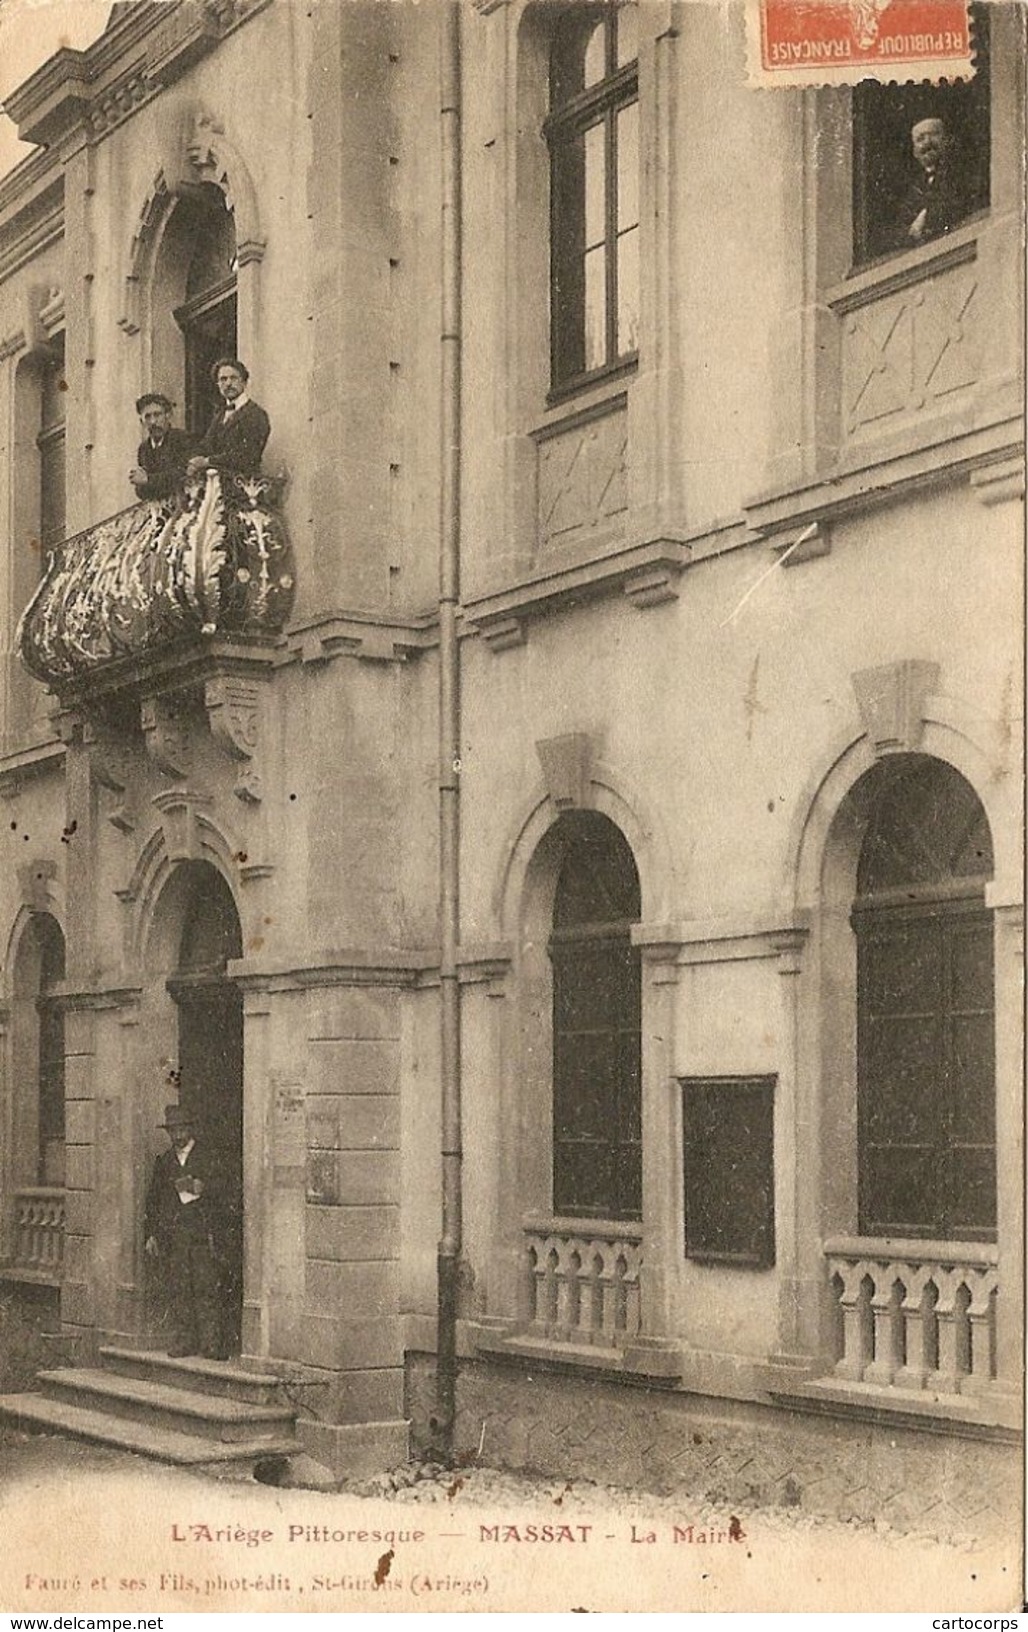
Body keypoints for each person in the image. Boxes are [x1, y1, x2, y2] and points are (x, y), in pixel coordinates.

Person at [144, 1104, 231, 1360]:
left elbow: (227, 1192)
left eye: (182, 1128)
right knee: (179, 1288)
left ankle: (211, 1343)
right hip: (175, 1236)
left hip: (203, 1234)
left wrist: (206, 1189)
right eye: (173, 1130)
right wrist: (152, 1234)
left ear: (191, 1129)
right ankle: (184, 1341)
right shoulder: (164, 1161)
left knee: (206, 1288)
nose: (178, 1135)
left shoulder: (208, 1157)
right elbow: (154, 1200)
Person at [894, 117, 970, 249]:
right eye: (920, 139)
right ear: (915, 152)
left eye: (934, 134)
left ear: (946, 140)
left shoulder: (961, 172)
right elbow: (899, 228)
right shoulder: (913, 189)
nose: (927, 142)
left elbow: (959, 202)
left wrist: (926, 217)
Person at [187, 358, 270, 479]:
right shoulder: (220, 414)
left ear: (244, 382)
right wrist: (193, 461)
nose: (228, 383)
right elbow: (206, 445)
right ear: (218, 385)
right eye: (223, 379)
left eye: (233, 378)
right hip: (217, 484)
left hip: (243, 485)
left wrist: (206, 461)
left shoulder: (256, 414)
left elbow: (247, 455)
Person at [129, 394, 194, 500]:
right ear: (141, 422)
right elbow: (142, 492)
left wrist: (149, 480)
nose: (153, 422)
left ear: (168, 415)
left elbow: (183, 474)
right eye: (147, 416)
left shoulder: (182, 439)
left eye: (157, 415)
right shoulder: (144, 449)